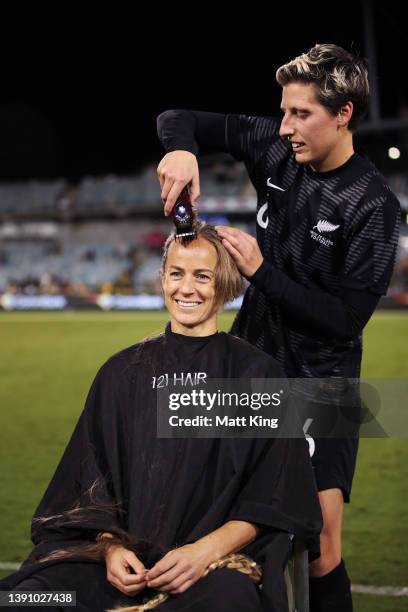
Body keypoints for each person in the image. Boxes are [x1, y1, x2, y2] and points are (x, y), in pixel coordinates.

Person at [156, 43, 401, 612]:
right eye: (284, 110)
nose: (285, 126)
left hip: (325, 385)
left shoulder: (374, 206)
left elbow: (345, 321)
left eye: (301, 114)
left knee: (318, 549)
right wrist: (183, 153)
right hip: (248, 368)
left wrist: (261, 271)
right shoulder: (274, 146)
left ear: (342, 114)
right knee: (219, 522)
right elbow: (176, 118)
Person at [0, 224, 322, 612]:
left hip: (211, 574)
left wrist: (203, 552)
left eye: (201, 276)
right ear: (162, 278)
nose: (186, 288)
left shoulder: (258, 375)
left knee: (230, 602)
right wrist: (110, 549)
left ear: (223, 283)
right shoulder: (121, 372)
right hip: (121, 573)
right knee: (26, 598)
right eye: (176, 273)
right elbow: (87, 484)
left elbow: (277, 497)